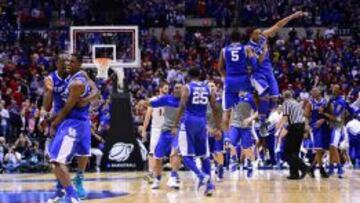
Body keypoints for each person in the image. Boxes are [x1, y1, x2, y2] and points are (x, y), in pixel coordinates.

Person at [45, 54, 99, 202]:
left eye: (71, 61)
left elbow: (96, 92)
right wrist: (49, 93)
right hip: (66, 120)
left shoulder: (79, 77)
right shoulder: (52, 78)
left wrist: (86, 99)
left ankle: (77, 182)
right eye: (65, 61)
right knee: (59, 159)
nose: (68, 64)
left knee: (81, 153)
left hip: (72, 120)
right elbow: (48, 106)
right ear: (58, 63)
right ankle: (62, 190)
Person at [247, 11, 306, 136]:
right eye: (256, 33)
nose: (260, 34)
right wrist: (264, 51)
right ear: (251, 34)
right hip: (258, 74)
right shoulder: (248, 48)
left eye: (259, 32)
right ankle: (262, 123)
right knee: (265, 97)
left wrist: (292, 15)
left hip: (269, 72)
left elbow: (278, 25)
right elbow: (256, 64)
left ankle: (265, 122)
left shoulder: (263, 36)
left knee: (274, 98)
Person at [172, 68, 222, 196]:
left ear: (188, 76)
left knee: (185, 155)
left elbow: (182, 106)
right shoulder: (208, 88)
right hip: (202, 122)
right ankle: (209, 186)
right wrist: (218, 128)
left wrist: (175, 124)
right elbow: (215, 108)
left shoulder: (187, 87)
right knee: (204, 155)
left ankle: (200, 175)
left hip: (189, 121)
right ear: (200, 75)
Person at [217, 30, 260, 130]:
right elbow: (255, 64)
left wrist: (226, 77)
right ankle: (258, 123)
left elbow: (219, 68)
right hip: (243, 79)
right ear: (241, 39)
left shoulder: (224, 50)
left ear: (230, 39)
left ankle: (227, 139)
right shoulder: (246, 48)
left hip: (230, 80)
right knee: (257, 99)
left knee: (227, 111)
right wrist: (251, 72)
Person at [147, 83, 182, 190]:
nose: (177, 90)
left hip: (179, 131)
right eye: (176, 87)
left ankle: (173, 177)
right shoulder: (166, 99)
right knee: (157, 156)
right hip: (165, 131)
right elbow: (152, 103)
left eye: (180, 88)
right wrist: (145, 102)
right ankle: (157, 179)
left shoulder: (186, 101)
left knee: (175, 153)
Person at [276, 90, 310, 179]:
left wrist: (278, 126)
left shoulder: (286, 103)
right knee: (294, 152)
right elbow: (303, 116)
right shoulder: (297, 103)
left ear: (284, 97)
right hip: (300, 127)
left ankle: (304, 167)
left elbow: (285, 117)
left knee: (287, 153)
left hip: (294, 127)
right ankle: (294, 174)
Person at [141, 81, 169, 184]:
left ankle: (172, 174)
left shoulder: (169, 100)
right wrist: (144, 130)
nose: (167, 91)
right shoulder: (153, 100)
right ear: (160, 88)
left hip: (167, 129)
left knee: (170, 152)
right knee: (152, 152)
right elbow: (147, 117)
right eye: (165, 88)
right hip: (156, 129)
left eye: (168, 89)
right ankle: (150, 173)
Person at [320, 84, 348, 178]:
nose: (332, 90)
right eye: (332, 88)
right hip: (331, 127)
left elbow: (335, 117)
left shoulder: (341, 102)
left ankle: (340, 169)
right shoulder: (332, 99)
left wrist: (323, 113)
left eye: (335, 89)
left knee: (333, 146)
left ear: (339, 90)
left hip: (338, 127)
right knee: (331, 148)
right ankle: (331, 168)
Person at [228, 91, 258, 177]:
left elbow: (257, 112)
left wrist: (250, 119)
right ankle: (233, 160)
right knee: (230, 143)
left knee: (246, 148)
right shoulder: (233, 96)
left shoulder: (250, 97)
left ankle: (249, 164)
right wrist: (230, 124)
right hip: (235, 125)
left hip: (246, 127)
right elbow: (232, 111)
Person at [304, 87, 329, 178]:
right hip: (315, 127)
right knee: (318, 149)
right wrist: (306, 125)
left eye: (315, 91)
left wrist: (324, 119)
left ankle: (311, 168)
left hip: (325, 126)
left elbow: (330, 113)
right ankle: (321, 170)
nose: (313, 92)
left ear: (320, 91)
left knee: (322, 150)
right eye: (312, 91)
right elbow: (306, 116)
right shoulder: (310, 103)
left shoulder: (326, 101)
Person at [206, 81, 225, 181]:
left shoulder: (221, 101)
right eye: (209, 86)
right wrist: (207, 128)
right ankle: (216, 166)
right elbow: (201, 117)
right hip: (207, 131)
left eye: (212, 86)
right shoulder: (204, 102)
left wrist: (219, 129)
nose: (211, 88)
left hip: (218, 130)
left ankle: (220, 172)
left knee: (219, 151)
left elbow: (224, 117)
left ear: (216, 88)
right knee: (211, 153)